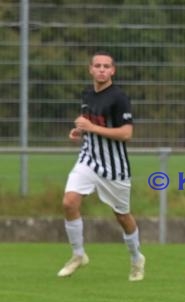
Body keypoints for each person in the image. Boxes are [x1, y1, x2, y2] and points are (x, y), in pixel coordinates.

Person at [57, 51, 146, 282]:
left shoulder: (119, 98)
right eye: (97, 65)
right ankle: (78, 254)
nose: (102, 69)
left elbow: (127, 133)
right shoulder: (87, 94)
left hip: (114, 167)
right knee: (69, 202)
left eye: (106, 66)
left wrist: (91, 128)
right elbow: (90, 122)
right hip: (88, 159)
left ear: (113, 71)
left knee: (122, 215)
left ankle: (136, 258)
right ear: (90, 69)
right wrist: (80, 130)